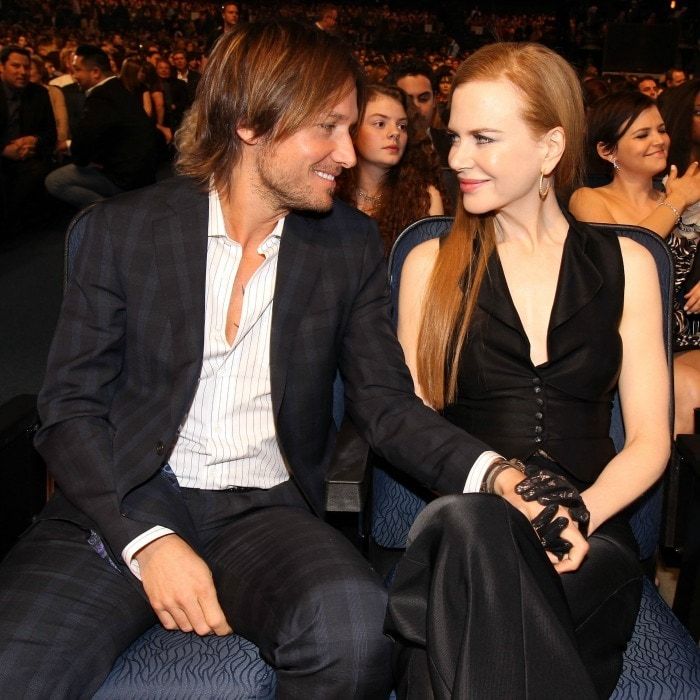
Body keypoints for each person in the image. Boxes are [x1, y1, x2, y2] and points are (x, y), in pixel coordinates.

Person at [0, 21, 509, 698]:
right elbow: (68, 408)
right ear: (248, 123)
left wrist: (497, 474)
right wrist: (146, 539)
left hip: (263, 512)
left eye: (350, 128)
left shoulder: (347, 246)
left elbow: (385, 404)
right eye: (327, 127)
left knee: (358, 634)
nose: (347, 155)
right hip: (122, 495)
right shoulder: (123, 232)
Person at [386, 42, 670, 698]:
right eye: (454, 137)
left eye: (484, 138)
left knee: (446, 645)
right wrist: (503, 497)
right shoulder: (430, 264)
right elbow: (409, 424)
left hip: (590, 533)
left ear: (549, 149)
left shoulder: (628, 263)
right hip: (467, 515)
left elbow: (652, 440)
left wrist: (577, 514)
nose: (458, 158)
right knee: (474, 531)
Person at [570, 91, 700, 435]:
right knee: (688, 387)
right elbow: (633, 254)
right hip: (630, 338)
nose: (659, 141)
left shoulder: (678, 198)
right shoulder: (589, 200)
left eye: (661, 129)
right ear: (607, 151)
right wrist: (679, 201)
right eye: (642, 135)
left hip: (689, 334)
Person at [44, 44, 157, 209]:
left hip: (125, 180)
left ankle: (108, 213)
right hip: (143, 174)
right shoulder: (119, 89)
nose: (74, 76)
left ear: (95, 72)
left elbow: (82, 151)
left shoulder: (100, 98)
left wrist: (69, 147)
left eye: (77, 70)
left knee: (55, 181)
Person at [336, 84, 444, 255]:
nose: (395, 132)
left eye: (402, 126)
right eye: (380, 123)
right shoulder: (330, 192)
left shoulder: (424, 198)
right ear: (353, 129)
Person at [0, 45, 56, 241]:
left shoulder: (39, 93)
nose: (22, 72)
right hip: (3, 153)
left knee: (38, 172)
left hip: (29, 156)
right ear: (2, 67)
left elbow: (51, 134)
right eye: (16, 66)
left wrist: (34, 140)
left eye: (26, 67)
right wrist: (4, 149)